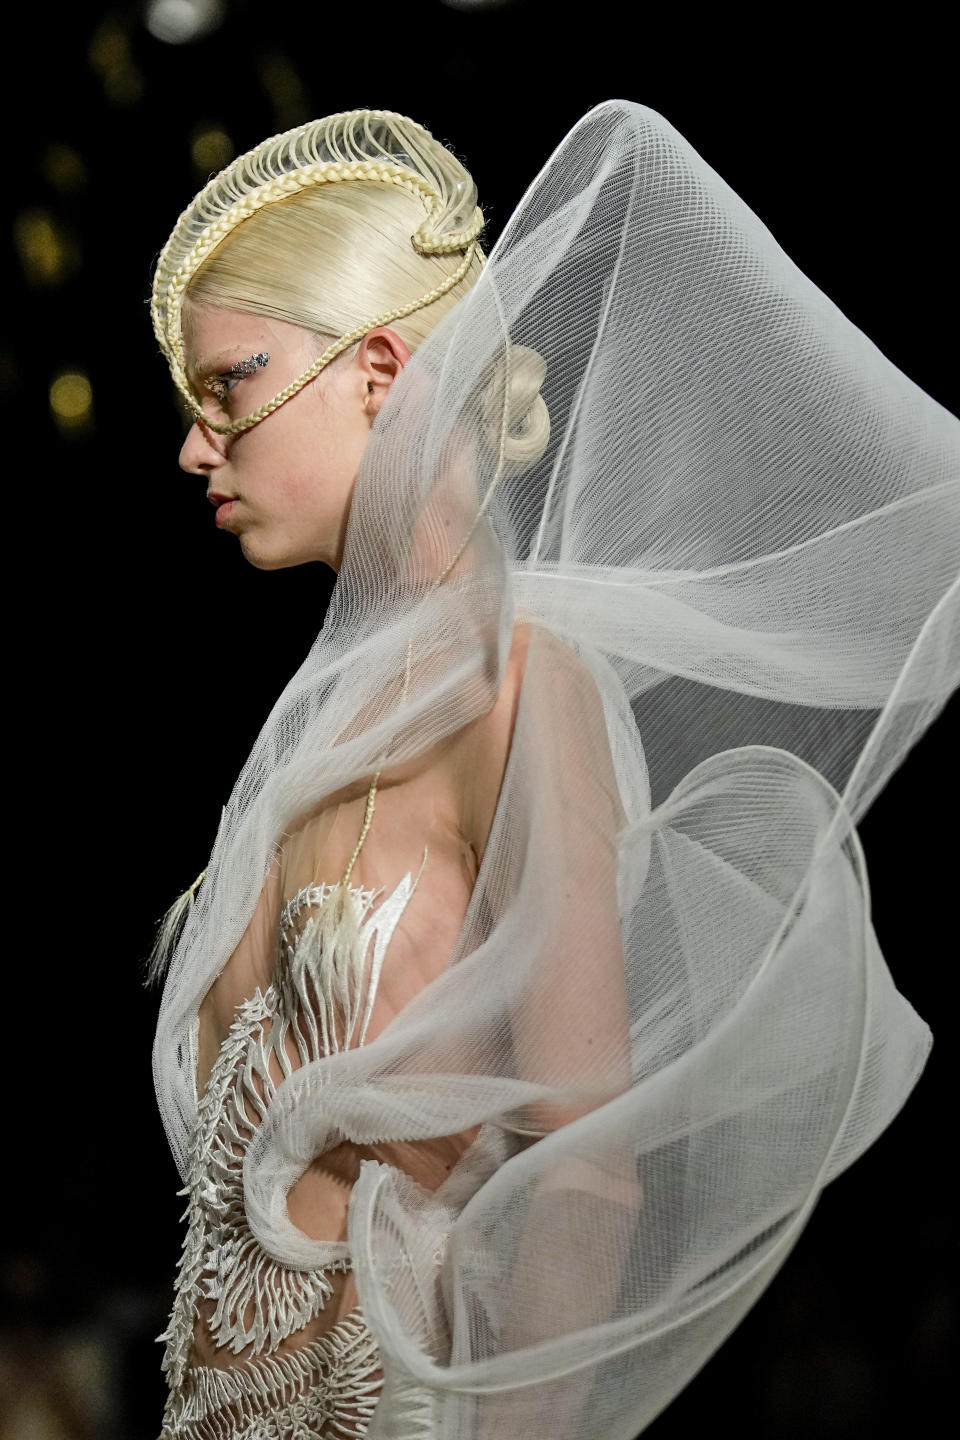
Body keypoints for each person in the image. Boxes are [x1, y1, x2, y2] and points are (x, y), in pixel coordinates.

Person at [147, 105, 959, 1438]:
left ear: (377, 369)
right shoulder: (317, 730)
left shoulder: (524, 688)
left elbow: (587, 1178)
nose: (194, 446)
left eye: (228, 385)